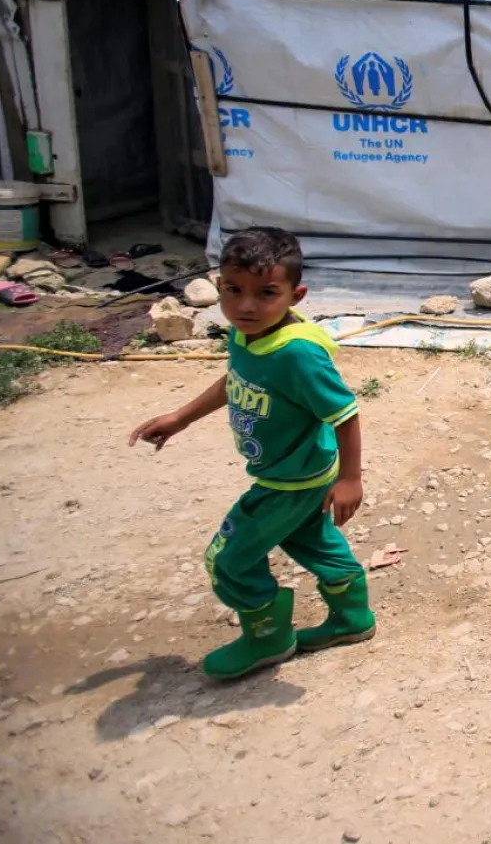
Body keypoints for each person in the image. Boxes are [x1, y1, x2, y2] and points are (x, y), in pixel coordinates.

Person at [130, 227, 374, 679]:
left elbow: (345, 413)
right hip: (296, 472)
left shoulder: (297, 355)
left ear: (295, 296)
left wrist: (351, 479)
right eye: (233, 290)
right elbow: (235, 380)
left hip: (289, 481)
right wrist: (181, 418)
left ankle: (268, 637)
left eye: (266, 293)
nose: (245, 306)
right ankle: (352, 617)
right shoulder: (247, 334)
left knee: (228, 559)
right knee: (311, 540)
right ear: (218, 286)